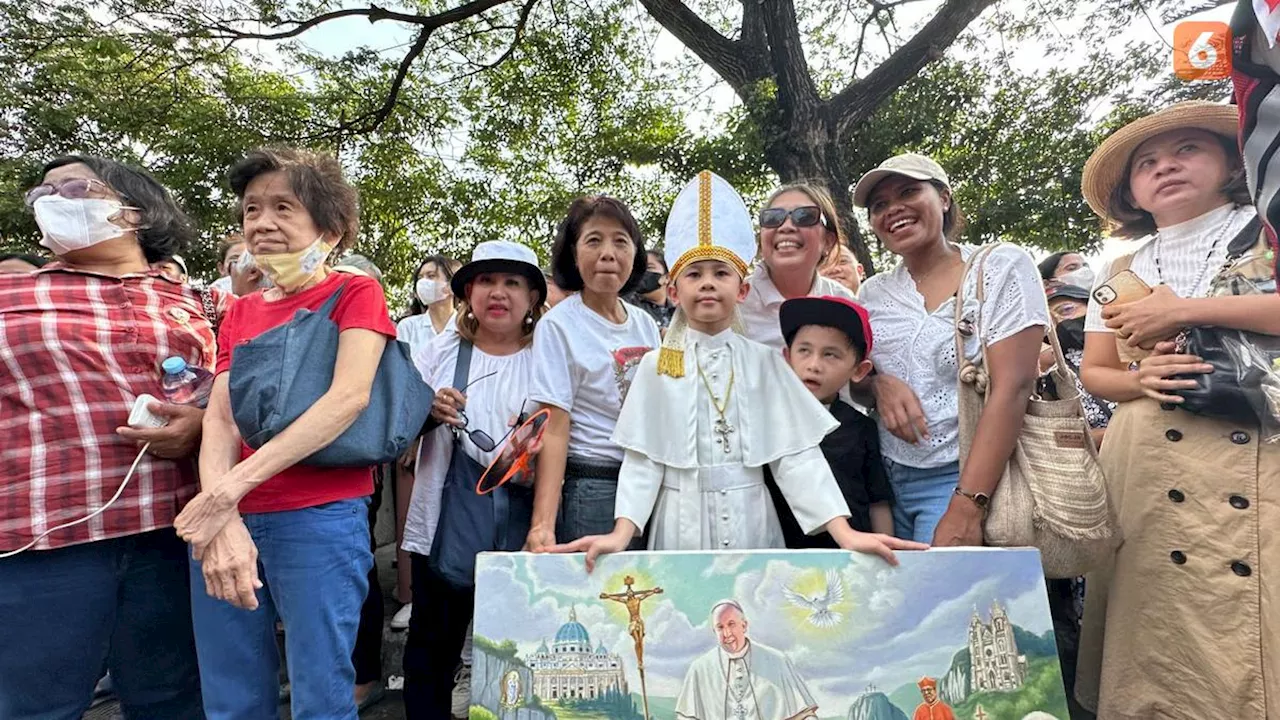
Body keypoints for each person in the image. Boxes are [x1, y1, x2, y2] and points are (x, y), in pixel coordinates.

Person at [555, 171, 919, 564]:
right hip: (679, 523)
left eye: (721, 274)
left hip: (753, 520)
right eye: (694, 274)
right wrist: (621, 533)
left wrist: (844, 532)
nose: (708, 284)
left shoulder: (766, 363)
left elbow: (796, 457)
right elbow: (644, 460)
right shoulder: (655, 366)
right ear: (674, 292)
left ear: (742, 290)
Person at [1075, 100, 1279, 718]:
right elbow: (1096, 370)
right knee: (1156, 605)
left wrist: (1185, 310)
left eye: (1187, 149)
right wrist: (1141, 379)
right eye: (1147, 163)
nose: (1166, 167)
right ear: (1130, 191)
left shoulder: (1268, 228)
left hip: (1254, 448)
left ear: (1228, 161)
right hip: (1151, 459)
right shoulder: (1120, 267)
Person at [180, 147, 398, 720]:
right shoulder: (240, 312)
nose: (262, 222)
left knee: (320, 694)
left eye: (284, 206)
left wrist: (226, 493)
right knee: (231, 693)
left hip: (319, 517)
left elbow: (347, 399)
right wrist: (221, 515)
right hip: (227, 520)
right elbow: (220, 420)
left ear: (329, 227)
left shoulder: (355, 294)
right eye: (252, 209)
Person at [0, 155, 218, 719]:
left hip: (174, 538)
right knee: (38, 707)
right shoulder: (9, 297)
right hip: (43, 547)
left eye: (73, 187)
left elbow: (236, 395)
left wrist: (203, 426)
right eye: (42, 193)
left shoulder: (201, 304)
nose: (51, 199)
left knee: (171, 699)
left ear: (134, 212)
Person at [852, 153, 1048, 545]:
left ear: (943, 198)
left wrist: (967, 507)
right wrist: (877, 385)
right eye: (879, 205)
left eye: (908, 192)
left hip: (962, 477)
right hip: (884, 483)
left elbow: (1015, 386)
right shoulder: (873, 292)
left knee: (949, 604)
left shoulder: (997, 267)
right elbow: (855, 377)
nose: (894, 210)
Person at [401, 240, 546, 720]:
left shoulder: (548, 354)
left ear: (531, 298)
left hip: (529, 527)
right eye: (486, 281)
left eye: (511, 282)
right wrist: (428, 413)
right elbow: (396, 430)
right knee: (431, 650)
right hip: (443, 525)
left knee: (519, 652)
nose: (497, 293)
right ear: (467, 292)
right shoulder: (441, 351)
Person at [525, 196, 660, 551]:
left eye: (620, 241)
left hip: (646, 487)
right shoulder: (559, 326)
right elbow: (554, 426)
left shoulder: (645, 325)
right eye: (594, 240)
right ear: (573, 252)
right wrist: (543, 524)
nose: (608, 253)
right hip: (593, 487)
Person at [772, 295, 894, 544]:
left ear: (859, 370)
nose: (814, 365)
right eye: (804, 351)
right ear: (787, 357)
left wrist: (885, 557)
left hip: (851, 558)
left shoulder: (862, 428)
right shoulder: (770, 422)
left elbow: (877, 502)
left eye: (831, 355)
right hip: (782, 558)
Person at [392, 253, 461, 629]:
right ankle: (411, 596)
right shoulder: (409, 328)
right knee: (412, 521)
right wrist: (412, 436)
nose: (428, 282)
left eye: (435, 275)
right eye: (423, 276)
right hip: (414, 433)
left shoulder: (466, 324)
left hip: (458, 433)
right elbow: (403, 384)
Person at [740, 182, 854, 351]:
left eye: (805, 217)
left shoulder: (846, 305)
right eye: (772, 218)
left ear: (828, 241)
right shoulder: (733, 305)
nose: (786, 227)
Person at [674, 600, 819, 720]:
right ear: (714, 631)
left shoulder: (777, 661)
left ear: (744, 625)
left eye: (731, 624)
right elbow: (686, 717)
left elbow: (805, 715)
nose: (727, 633)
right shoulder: (700, 669)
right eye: (720, 627)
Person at [399, 254, 460, 354]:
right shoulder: (408, 327)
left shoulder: (467, 327)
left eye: (431, 276)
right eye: (420, 278)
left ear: (450, 286)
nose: (423, 282)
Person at [624, 249, 675, 330]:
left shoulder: (679, 310)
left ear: (667, 277)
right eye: (638, 269)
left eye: (649, 267)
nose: (642, 272)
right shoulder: (626, 304)